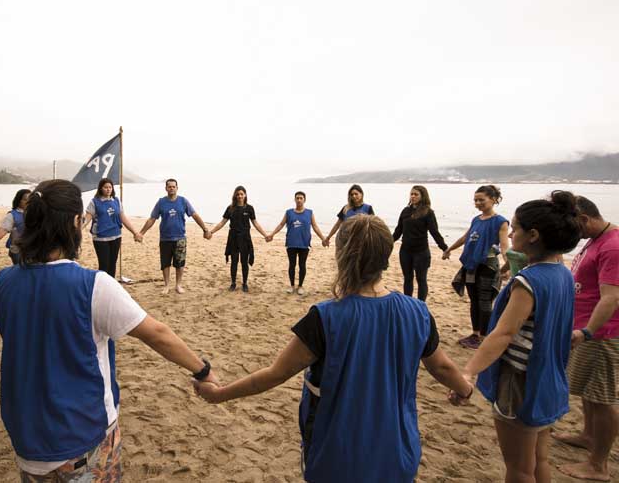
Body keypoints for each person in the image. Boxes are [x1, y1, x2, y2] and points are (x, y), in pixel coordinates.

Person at [0, 179, 218, 482]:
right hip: (83, 435)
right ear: (77, 222)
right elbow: (156, 333)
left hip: (26, 438)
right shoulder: (93, 285)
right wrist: (202, 370)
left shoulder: (2, 282)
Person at [194, 216, 473, 482]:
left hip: (337, 456)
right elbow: (443, 367)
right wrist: (464, 389)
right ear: (387, 257)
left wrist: (219, 394)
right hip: (398, 453)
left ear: (341, 254)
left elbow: (274, 374)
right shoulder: (417, 313)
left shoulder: (325, 317)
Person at [457, 191, 581, 483]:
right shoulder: (563, 273)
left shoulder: (529, 282)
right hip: (550, 377)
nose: (510, 234)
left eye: (515, 228)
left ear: (534, 235)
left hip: (522, 380)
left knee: (519, 468)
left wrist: (469, 371)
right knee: (540, 460)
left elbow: (503, 333)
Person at [553, 196, 619, 482]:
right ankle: (588, 435)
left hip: (603, 335)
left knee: (603, 398)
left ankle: (598, 465)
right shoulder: (596, 240)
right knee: (590, 393)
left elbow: (612, 297)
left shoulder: (613, 246)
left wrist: (588, 331)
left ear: (583, 218)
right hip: (587, 331)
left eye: (573, 225)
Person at [442, 185, 510, 350]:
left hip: (487, 265)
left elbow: (504, 246)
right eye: (476, 200)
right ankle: (475, 333)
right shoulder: (476, 220)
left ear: (493, 200)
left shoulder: (501, 221)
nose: (478, 203)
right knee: (473, 300)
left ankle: (485, 337)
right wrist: (449, 249)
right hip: (471, 265)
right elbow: (466, 237)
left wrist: (507, 266)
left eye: (481, 200)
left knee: (485, 301)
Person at [139, 178, 210, 295]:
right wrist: (141, 233)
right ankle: (166, 285)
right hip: (165, 238)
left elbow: (194, 215)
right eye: (169, 186)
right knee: (165, 263)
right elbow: (152, 219)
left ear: (177, 188)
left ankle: (178, 285)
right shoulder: (161, 202)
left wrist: (205, 229)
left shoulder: (183, 201)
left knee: (180, 263)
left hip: (180, 238)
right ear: (166, 188)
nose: (171, 188)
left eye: (173, 186)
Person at [207, 186, 269, 292]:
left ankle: (245, 283)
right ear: (235, 195)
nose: (240, 196)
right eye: (238, 194)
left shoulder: (249, 208)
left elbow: (255, 223)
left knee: (244, 262)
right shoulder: (231, 208)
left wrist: (265, 235)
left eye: (242, 194)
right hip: (233, 238)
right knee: (234, 261)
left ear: (245, 195)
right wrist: (211, 232)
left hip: (245, 238)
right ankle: (233, 283)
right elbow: (222, 222)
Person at [392, 185, 448, 301]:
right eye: (411, 194)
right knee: (407, 278)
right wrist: (387, 242)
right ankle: (408, 303)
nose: (413, 196)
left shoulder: (428, 212)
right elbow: (398, 231)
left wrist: (444, 248)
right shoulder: (405, 211)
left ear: (423, 196)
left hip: (421, 252)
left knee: (421, 279)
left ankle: (421, 305)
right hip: (405, 251)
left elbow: (434, 232)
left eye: (416, 194)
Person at [267, 191, 328, 295]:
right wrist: (272, 234)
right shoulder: (289, 212)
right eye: (297, 198)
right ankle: (291, 285)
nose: (299, 200)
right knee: (292, 265)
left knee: (302, 265)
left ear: (304, 200)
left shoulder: (309, 213)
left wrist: (323, 238)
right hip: (291, 243)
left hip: (304, 243)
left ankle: (300, 286)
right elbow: (281, 224)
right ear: (295, 200)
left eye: (301, 198)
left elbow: (315, 226)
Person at [82, 178, 143, 278]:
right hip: (101, 238)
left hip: (116, 236)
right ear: (101, 188)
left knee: (112, 264)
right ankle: (102, 286)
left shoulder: (116, 201)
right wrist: (78, 229)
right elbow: (87, 219)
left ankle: (111, 285)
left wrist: (135, 232)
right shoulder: (95, 202)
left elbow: (123, 218)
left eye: (110, 187)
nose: (108, 189)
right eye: (105, 187)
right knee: (104, 265)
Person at [0, 188, 31, 265]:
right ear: (19, 201)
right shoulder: (12, 215)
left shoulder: (35, 214)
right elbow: (3, 229)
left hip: (32, 250)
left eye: (31, 200)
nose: (28, 202)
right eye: (25, 200)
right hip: (18, 251)